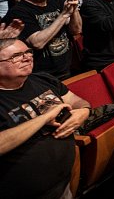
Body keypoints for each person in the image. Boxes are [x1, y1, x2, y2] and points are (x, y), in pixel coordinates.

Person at [0, 37, 92, 199]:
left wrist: (84, 111)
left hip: (62, 184)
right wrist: (44, 118)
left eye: (28, 52)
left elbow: (76, 101)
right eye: (16, 56)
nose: (27, 57)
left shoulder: (43, 79)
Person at [5, 0, 81, 79]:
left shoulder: (57, 2)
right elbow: (37, 43)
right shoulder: (18, 12)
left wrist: (74, 9)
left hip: (67, 69)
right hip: (42, 76)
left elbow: (76, 30)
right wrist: (64, 15)